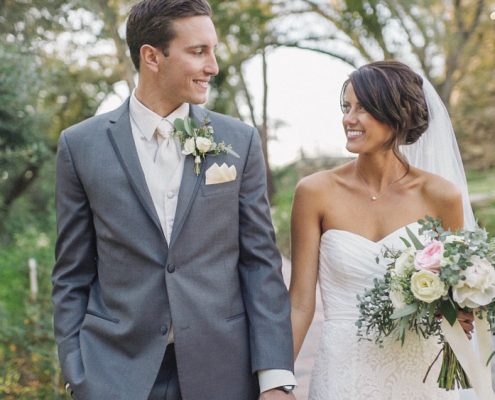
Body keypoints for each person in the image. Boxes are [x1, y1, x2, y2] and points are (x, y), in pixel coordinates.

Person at [52, 1, 297, 399]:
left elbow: (260, 266)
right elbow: (71, 273)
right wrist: (76, 372)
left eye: (212, 51)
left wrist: (274, 377)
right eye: (198, 51)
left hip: (222, 373)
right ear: (152, 56)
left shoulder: (239, 141)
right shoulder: (80, 146)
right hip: (114, 376)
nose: (213, 66)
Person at [289, 61, 476, 399]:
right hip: (343, 374)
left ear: (396, 114)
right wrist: (278, 380)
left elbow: (455, 299)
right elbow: (300, 303)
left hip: (421, 375)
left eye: (363, 108)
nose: (349, 118)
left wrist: (461, 310)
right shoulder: (315, 192)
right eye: (347, 107)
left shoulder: (442, 195)